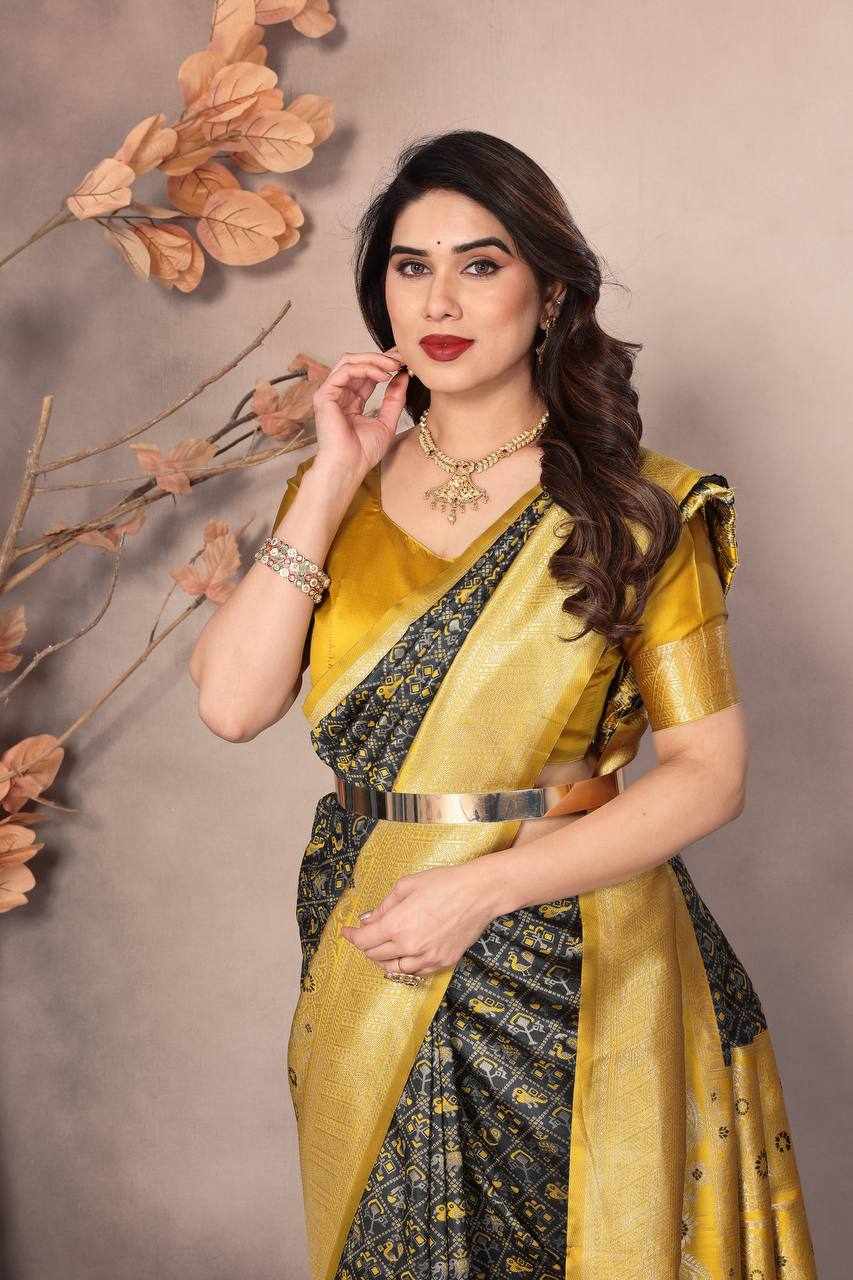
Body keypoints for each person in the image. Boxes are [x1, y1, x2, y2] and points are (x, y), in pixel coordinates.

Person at [189, 131, 817, 1280]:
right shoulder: (334, 496)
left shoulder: (638, 508)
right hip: (370, 932)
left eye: (479, 264)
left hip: (572, 954)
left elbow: (708, 772)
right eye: (410, 266)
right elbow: (232, 705)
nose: (439, 299)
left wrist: (481, 888)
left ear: (551, 293)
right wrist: (329, 476)